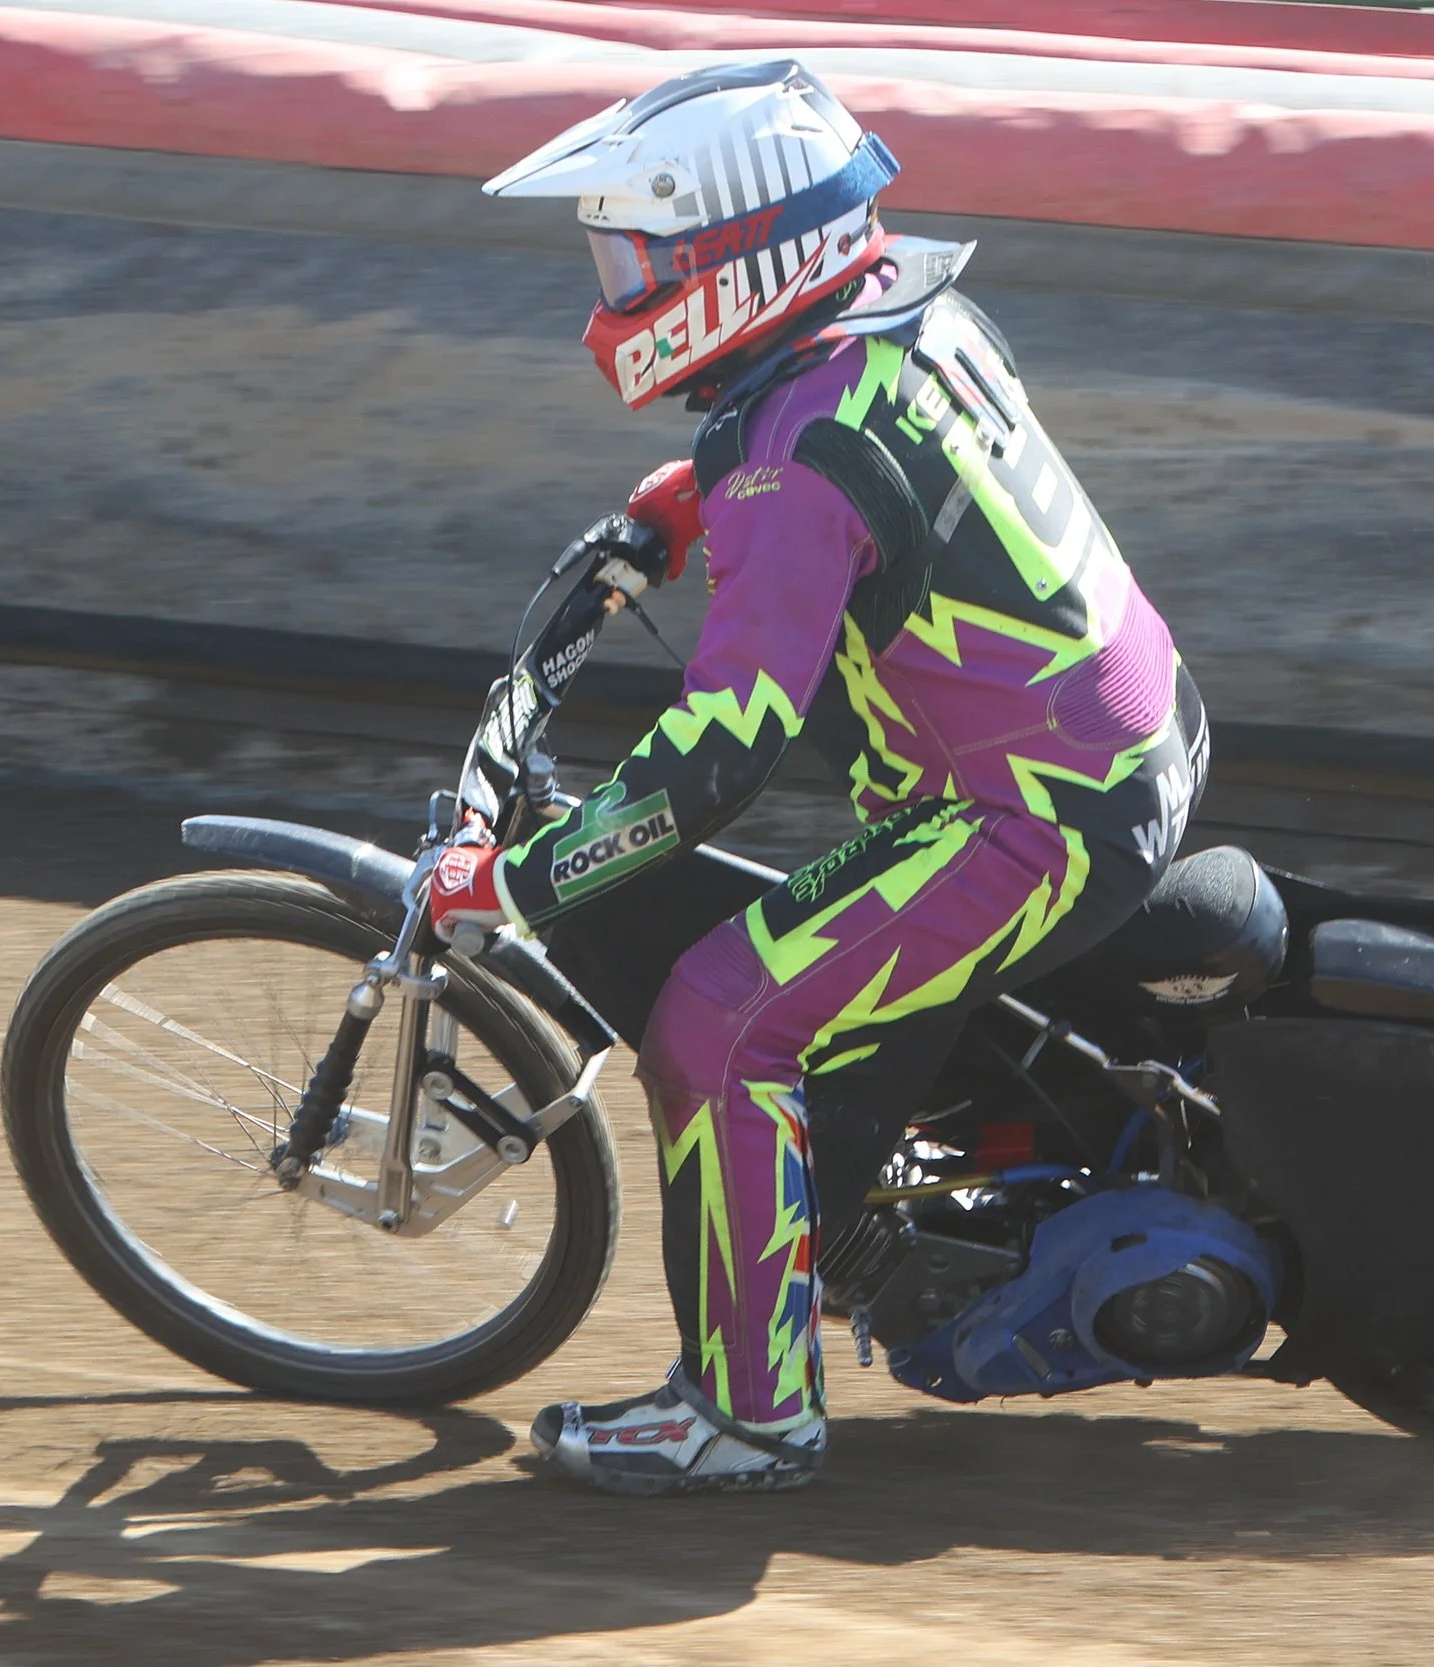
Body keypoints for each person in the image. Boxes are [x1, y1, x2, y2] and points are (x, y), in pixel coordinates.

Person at [429, 60, 1208, 1495]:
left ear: (738, 259)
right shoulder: (912, 310)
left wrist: (526, 877)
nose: (615, 288)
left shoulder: (794, 467)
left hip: (1030, 820)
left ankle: (745, 1412)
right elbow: (888, 485)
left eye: (637, 259)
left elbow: (720, 756)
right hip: (1135, 736)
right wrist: (703, 496)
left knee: (717, 1022)